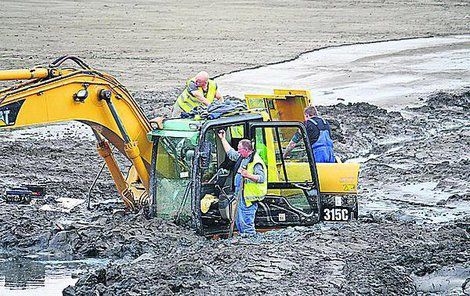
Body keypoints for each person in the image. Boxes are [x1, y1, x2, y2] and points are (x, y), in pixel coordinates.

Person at [217, 130, 267, 235]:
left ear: (246, 149)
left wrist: (247, 175)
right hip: (240, 195)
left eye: (240, 150)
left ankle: (250, 240)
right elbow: (231, 153)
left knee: (247, 221)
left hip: (249, 197)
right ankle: (243, 239)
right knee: (239, 220)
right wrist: (222, 139)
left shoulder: (255, 161)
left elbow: (261, 178)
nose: (238, 152)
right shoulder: (242, 157)